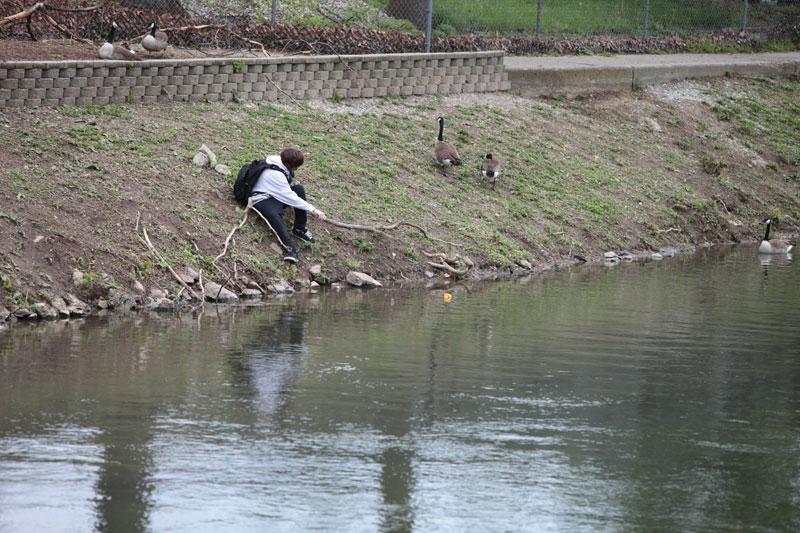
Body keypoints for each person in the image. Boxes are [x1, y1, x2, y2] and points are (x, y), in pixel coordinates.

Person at [251, 148, 326, 263]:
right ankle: (290, 248)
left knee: (299, 189)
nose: (296, 169)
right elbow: (290, 198)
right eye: (295, 166)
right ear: (289, 164)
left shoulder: (278, 162)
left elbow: (289, 194)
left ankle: (299, 229)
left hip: (274, 194)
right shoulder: (276, 175)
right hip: (261, 199)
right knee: (273, 215)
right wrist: (314, 210)